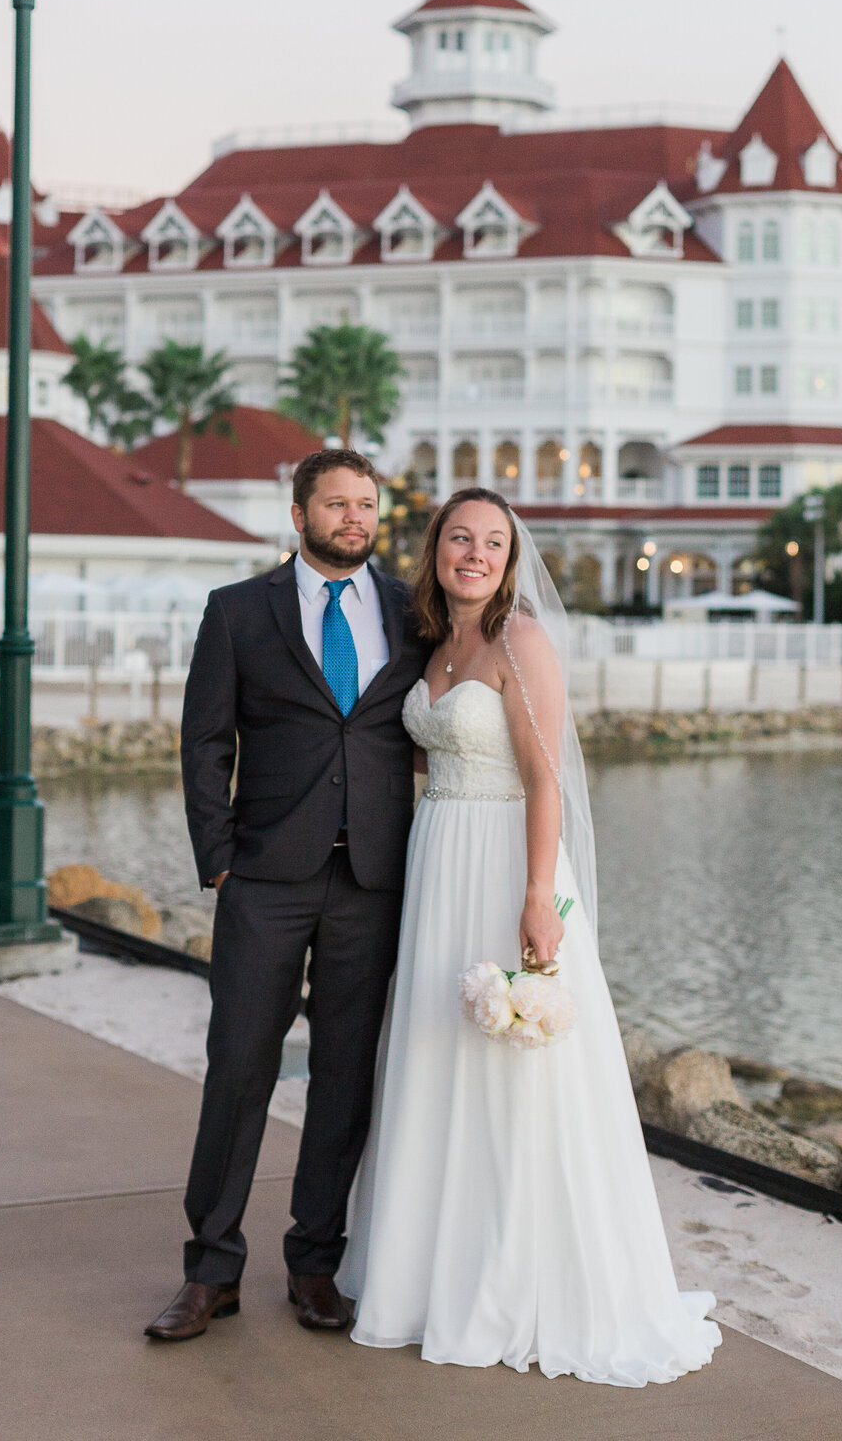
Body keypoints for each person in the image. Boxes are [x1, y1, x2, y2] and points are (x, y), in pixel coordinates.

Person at [340, 487, 721, 1382]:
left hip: (507, 860)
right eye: (458, 538)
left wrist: (539, 896)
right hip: (438, 861)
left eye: (492, 543)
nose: (473, 554)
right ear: (435, 549)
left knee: (517, 1069)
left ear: (512, 560)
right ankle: (425, 1275)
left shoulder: (523, 641)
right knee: (437, 1053)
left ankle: (518, 1280)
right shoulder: (434, 642)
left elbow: (547, 779)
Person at [145, 449, 429, 1342]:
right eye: (336, 504)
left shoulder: (408, 615)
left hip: (373, 882)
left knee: (345, 1077)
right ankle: (213, 1270)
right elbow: (204, 743)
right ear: (298, 512)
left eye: (367, 505)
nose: (355, 518)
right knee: (239, 1067)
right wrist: (219, 857)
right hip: (264, 878)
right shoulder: (238, 612)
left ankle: (315, 1262)